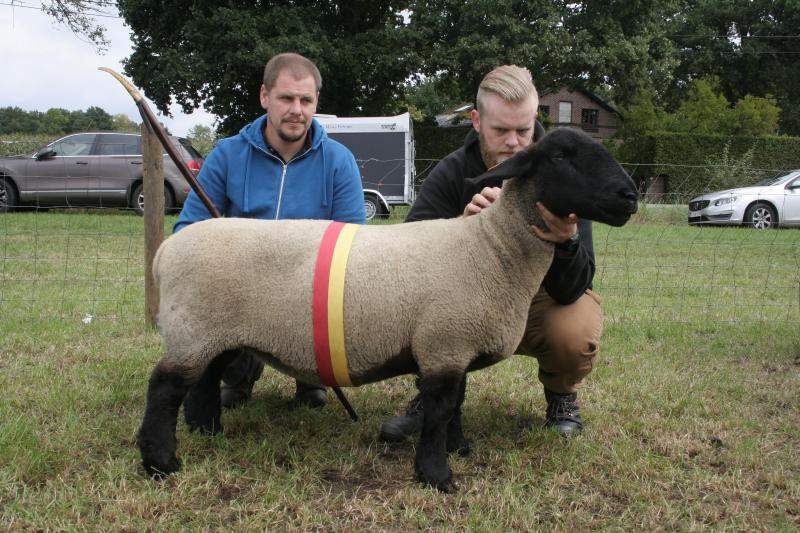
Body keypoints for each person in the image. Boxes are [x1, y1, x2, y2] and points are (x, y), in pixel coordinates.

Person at [379, 65, 601, 441]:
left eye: (524, 130)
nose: (514, 142)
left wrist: (567, 239)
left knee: (574, 333)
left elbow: (576, 286)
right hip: (466, 304)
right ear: (476, 121)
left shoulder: (567, 175)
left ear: (536, 120)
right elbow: (405, 260)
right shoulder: (452, 172)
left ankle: (562, 395)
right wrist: (461, 229)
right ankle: (433, 400)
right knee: (422, 310)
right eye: (501, 130)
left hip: (538, 301)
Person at [174, 52, 366, 409]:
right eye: (286, 98)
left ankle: (310, 377)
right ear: (265, 97)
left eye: (306, 100)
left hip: (310, 293)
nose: (297, 109)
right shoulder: (226, 155)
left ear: (316, 102)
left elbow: (355, 246)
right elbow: (187, 232)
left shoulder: (340, 161)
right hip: (243, 290)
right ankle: (237, 371)